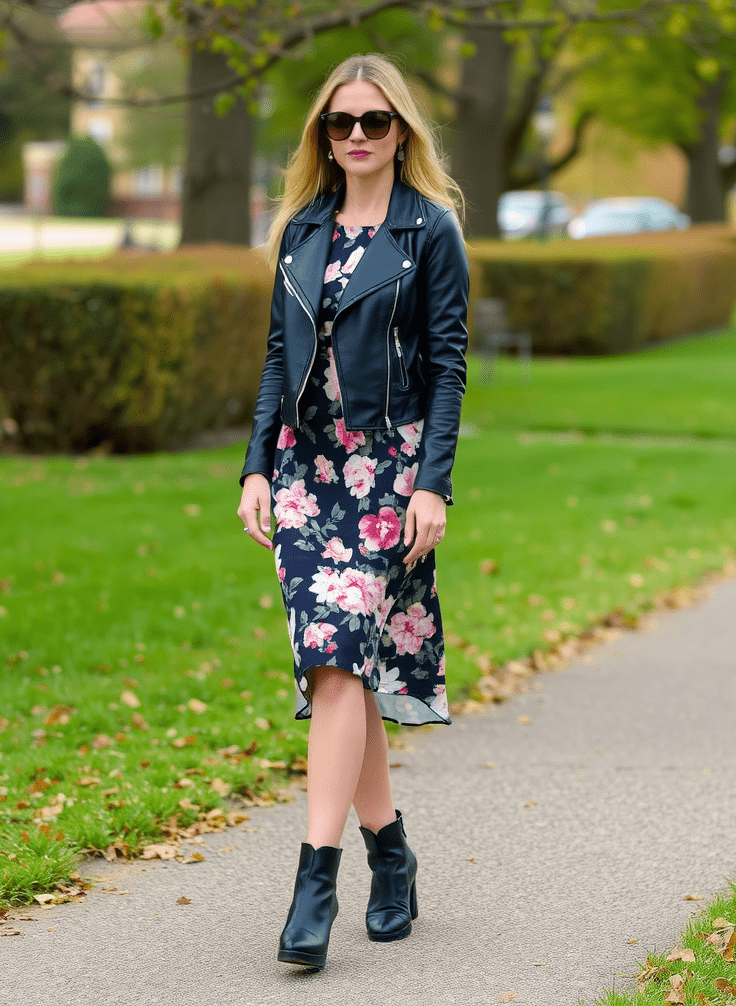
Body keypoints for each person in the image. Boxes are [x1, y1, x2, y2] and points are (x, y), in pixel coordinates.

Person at [237, 52, 469, 970]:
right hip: (304, 473)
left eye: (376, 121)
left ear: (402, 130)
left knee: (338, 666)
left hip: (383, 477)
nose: (360, 136)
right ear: (324, 137)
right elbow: (273, 360)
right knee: (342, 667)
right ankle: (393, 855)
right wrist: (257, 468)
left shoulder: (429, 231)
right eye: (343, 123)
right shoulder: (299, 229)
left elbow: (449, 365)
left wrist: (432, 484)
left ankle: (314, 881)